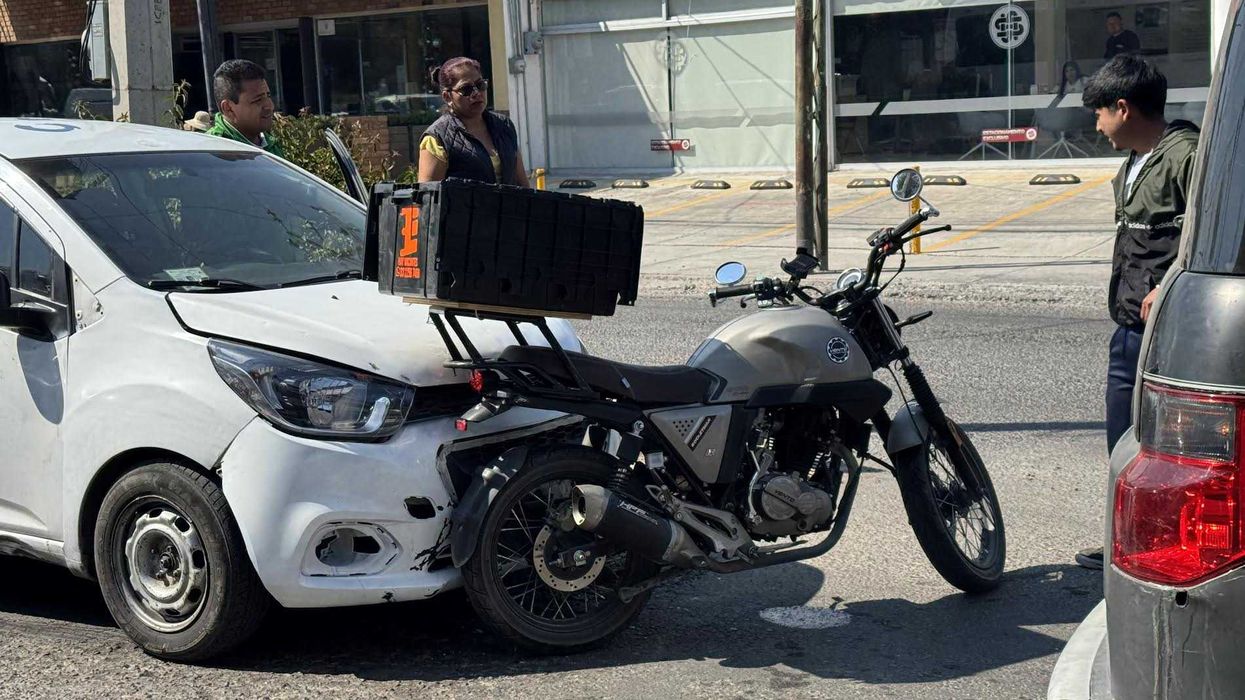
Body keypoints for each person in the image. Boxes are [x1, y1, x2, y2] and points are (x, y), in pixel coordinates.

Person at [1075, 55, 1199, 570]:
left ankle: (1172, 544)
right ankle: (1133, 537)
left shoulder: (1185, 156)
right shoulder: (1133, 163)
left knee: (1169, 449)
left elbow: (1209, 234)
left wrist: (1169, 282)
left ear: (1123, 108)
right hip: (1128, 326)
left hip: (1170, 332)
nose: (1097, 126)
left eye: (1099, 114)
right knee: (1123, 444)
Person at [417, 57, 530, 186]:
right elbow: (428, 200)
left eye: (480, 85)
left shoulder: (504, 125)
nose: (477, 93)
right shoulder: (437, 138)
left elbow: (523, 185)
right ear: (447, 97)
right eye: (466, 89)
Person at [204, 59, 284, 157]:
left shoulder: (270, 144)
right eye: (257, 100)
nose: (269, 106)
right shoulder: (211, 152)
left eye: (268, 95)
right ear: (228, 108)